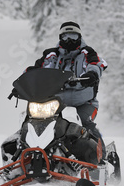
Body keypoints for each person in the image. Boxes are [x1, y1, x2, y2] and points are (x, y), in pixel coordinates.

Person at [28, 21, 107, 154]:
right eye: (65, 37)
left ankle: (101, 157)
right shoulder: (51, 55)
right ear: (60, 38)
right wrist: (27, 78)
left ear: (80, 37)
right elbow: (37, 69)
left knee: (84, 124)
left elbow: (96, 64)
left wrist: (92, 74)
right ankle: (28, 153)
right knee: (35, 121)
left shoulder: (87, 52)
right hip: (54, 103)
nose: (69, 40)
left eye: (73, 37)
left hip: (84, 103)